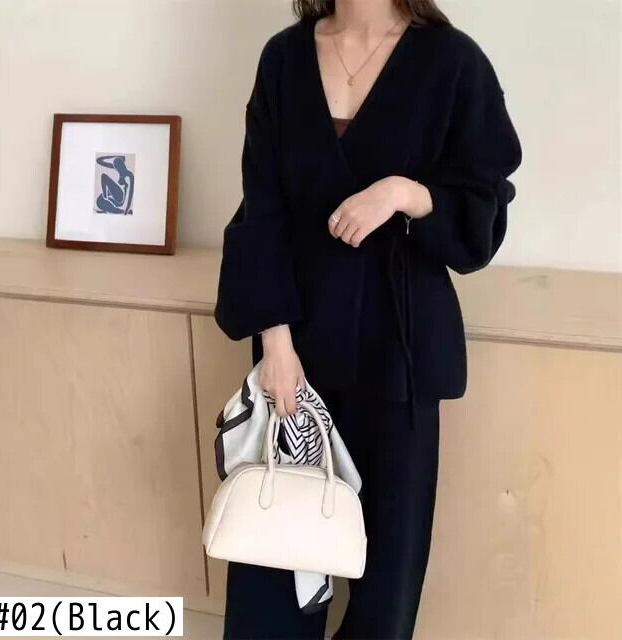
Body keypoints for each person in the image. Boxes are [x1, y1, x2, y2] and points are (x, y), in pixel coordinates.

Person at [214, 0, 523, 638]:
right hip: (296, 342)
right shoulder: (284, 59)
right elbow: (261, 207)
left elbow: (483, 203)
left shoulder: (452, 61)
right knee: (277, 546)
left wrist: (404, 194)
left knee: (389, 571)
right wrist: (275, 343)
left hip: (400, 347)